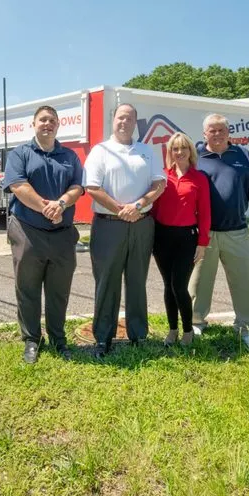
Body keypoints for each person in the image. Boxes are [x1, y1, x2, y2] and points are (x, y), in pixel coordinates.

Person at [2, 106, 85, 364]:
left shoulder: (69, 156)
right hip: (27, 230)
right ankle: (31, 340)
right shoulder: (20, 154)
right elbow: (18, 185)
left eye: (52, 120)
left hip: (62, 233)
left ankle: (58, 339)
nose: (47, 124)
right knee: (27, 288)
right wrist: (47, 208)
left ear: (58, 124)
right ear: (34, 124)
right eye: (43, 120)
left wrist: (60, 204)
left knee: (59, 290)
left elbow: (78, 187)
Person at [84, 103, 166, 358]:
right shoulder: (101, 151)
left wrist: (139, 205)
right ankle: (103, 339)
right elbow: (92, 187)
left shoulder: (147, 151)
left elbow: (159, 183)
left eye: (129, 118)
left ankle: (139, 335)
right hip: (109, 225)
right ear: (113, 120)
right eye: (121, 117)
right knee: (107, 283)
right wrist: (122, 209)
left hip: (142, 224)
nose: (124, 122)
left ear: (135, 122)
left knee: (137, 281)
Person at [190, 113, 249, 349]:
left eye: (221, 130)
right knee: (198, 283)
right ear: (204, 133)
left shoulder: (243, 155)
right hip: (205, 234)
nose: (217, 134)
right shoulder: (196, 156)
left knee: (245, 282)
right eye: (212, 130)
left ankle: (248, 329)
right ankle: (195, 323)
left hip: (237, 231)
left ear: (228, 132)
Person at [151, 132, 211, 347]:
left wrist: (203, 243)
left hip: (187, 238)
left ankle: (187, 330)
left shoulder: (199, 179)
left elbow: (205, 213)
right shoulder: (162, 177)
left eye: (183, 148)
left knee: (179, 285)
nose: (179, 152)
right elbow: (154, 208)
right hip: (162, 238)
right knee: (168, 285)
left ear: (190, 151)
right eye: (175, 149)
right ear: (170, 152)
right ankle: (172, 329)